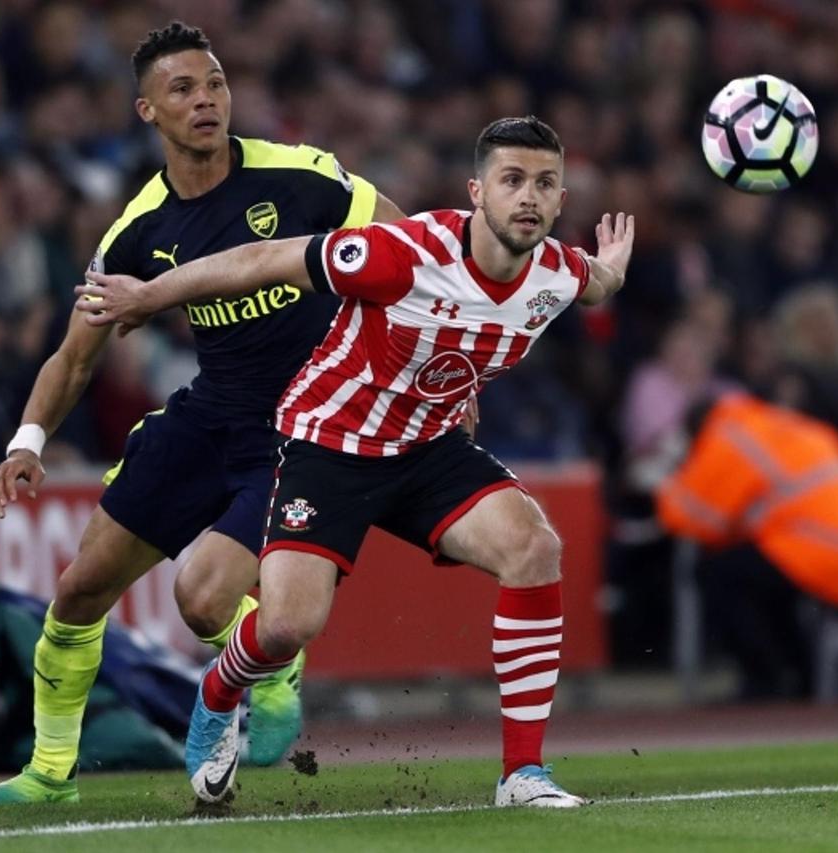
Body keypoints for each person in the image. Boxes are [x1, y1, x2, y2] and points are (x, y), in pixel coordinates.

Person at [77, 116, 634, 808]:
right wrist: (150, 294)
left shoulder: (557, 271)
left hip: (426, 449)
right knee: (287, 627)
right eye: (512, 180)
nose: (529, 197)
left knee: (534, 547)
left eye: (545, 184)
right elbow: (262, 260)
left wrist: (613, 269)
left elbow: (595, 282)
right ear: (476, 192)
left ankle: (522, 774)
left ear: (560, 201)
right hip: (328, 444)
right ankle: (220, 687)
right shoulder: (403, 253)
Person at [0, 22, 405, 805]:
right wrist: (27, 441)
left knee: (201, 601)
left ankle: (273, 658)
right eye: (183, 89)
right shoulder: (139, 229)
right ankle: (49, 773)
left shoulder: (301, 176)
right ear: (147, 111)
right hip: (209, 416)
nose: (206, 101)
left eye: (216, 84)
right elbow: (74, 357)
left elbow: (409, 247)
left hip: (299, 429)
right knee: (79, 589)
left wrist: (430, 366)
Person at [655, 392, 838, 700]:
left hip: (825, 542)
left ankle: (764, 679)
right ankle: (802, 678)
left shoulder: (727, 435)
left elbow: (693, 517)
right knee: (768, 583)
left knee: (715, 573)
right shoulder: (773, 422)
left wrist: (664, 485)